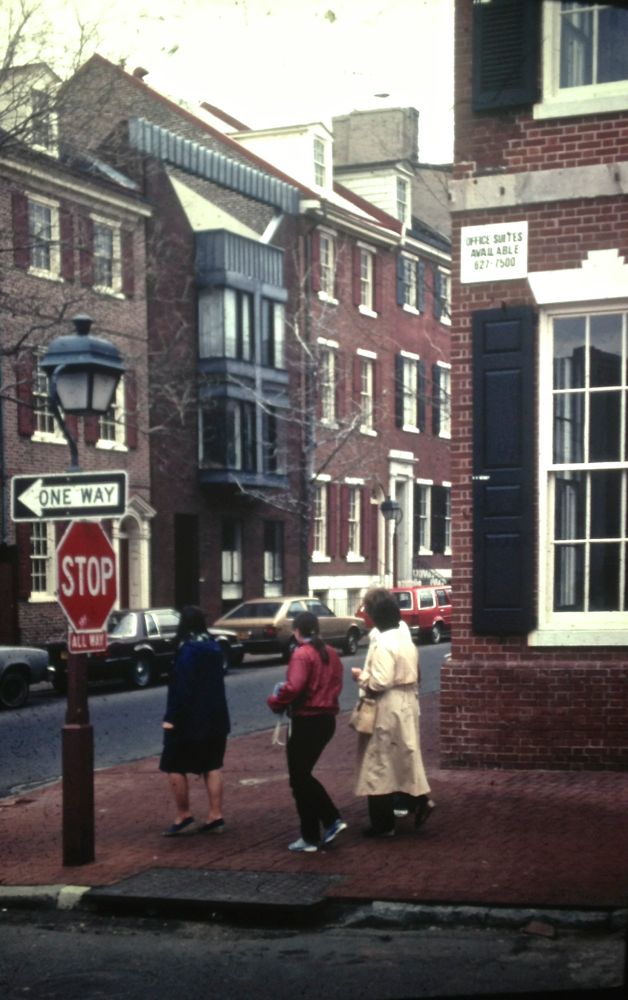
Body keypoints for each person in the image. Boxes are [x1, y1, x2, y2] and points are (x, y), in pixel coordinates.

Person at [352, 587, 434, 837]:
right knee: (404, 756)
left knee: (379, 763)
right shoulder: (405, 639)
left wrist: (361, 676)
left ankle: (383, 825)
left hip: (387, 706)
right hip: (406, 702)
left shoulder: (384, 642)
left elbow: (380, 682)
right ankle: (419, 800)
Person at [267, 610, 347, 853]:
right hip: (326, 720)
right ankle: (313, 833)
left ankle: (327, 822)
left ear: (297, 631)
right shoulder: (331, 653)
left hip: (307, 720)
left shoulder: (302, 654)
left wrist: (275, 701)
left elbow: (295, 687)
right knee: (302, 777)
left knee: (299, 777)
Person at [159, 605, 230, 837]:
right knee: (212, 764)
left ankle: (183, 815)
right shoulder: (214, 646)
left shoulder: (187, 650)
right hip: (216, 717)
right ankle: (215, 815)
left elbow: (183, 688)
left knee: (173, 764)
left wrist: (172, 718)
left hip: (189, 720)